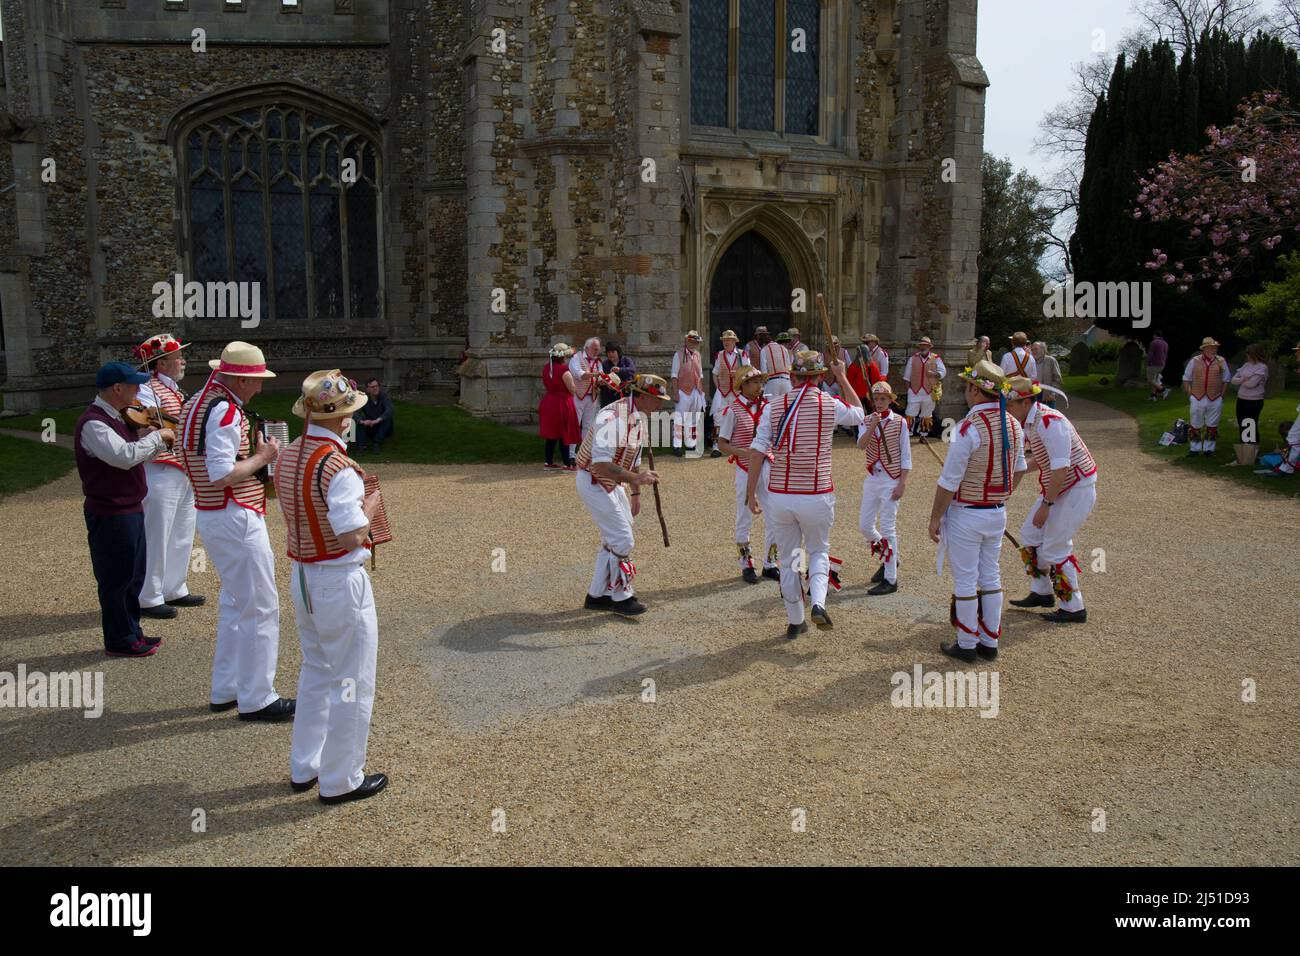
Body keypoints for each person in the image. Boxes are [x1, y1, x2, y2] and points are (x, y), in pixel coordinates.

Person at [275, 370, 387, 805]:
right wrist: (370, 507)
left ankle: (306, 765)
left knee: (317, 670)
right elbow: (350, 534)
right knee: (352, 679)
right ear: (342, 420)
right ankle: (342, 778)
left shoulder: (288, 454)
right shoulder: (341, 468)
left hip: (302, 573)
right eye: (349, 414)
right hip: (338, 577)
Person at [178, 341, 295, 721]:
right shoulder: (225, 411)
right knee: (261, 606)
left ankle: (226, 687)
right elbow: (222, 474)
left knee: (234, 603)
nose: (259, 387)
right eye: (256, 380)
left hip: (214, 513)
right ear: (240, 380)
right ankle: (258, 696)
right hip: (235, 512)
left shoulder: (197, 401)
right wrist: (263, 458)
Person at [746, 351, 866, 638]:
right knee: (818, 550)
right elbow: (860, 413)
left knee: (788, 560)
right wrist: (842, 377)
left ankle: (795, 620)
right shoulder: (829, 403)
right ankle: (819, 603)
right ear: (820, 376)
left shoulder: (774, 407)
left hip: (780, 494)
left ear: (792, 376)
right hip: (816, 492)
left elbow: (757, 451)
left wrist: (750, 494)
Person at [75, 362, 177, 657]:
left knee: (133, 574)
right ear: (117, 388)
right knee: (115, 579)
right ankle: (119, 640)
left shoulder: (118, 418)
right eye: (133, 386)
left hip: (129, 507)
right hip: (110, 511)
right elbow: (124, 457)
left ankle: (132, 631)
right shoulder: (94, 423)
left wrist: (149, 437)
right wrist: (157, 438)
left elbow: (130, 451)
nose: (138, 392)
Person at [927, 360, 1027, 663]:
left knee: (967, 578)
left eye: (968, 386)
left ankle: (967, 642)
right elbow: (1020, 468)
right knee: (990, 574)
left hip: (967, 512)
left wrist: (934, 518)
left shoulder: (968, 428)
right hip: (996, 510)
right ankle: (989, 640)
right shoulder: (1013, 424)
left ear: (974, 389)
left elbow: (949, 481)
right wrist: (1004, 492)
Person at [574, 374, 671, 616]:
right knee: (623, 539)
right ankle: (621, 597)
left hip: (614, 483)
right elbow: (601, 465)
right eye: (656, 399)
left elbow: (633, 459)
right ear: (640, 396)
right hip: (593, 480)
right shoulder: (611, 417)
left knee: (613, 539)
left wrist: (636, 493)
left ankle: (596, 596)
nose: (660, 404)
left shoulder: (637, 417)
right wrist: (636, 479)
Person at [1005, 378, 1097, 624]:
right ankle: (1042, 592)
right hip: (1061, 485)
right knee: (1030, 535)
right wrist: (1017, 475)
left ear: (1026, 402)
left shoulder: (1050, 422)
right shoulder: (1029, 422)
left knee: (1056, 546)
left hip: (1076, 487)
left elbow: (1061, 469)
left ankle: (1073, 607)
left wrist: (1046, 505)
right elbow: (1044, 461)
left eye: (1010, 404)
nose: (1006, 409)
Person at [133, 333, 203, 620]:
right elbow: (150, 424)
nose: (182, 361)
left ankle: (175, 587)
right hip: (159, 468)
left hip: (181, 467)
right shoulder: (145, 388)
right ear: (160, 364)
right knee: (157, 533)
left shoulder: (173, 390)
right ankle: (149, 595)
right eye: (177, 357)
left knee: (182, 530)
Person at [716, 366, 779, 584]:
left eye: (761, 382)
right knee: (744, 515)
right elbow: (722, 443)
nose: (759, 386)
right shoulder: (733, 410)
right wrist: (744, 452)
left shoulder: (769, 407)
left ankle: (771, 563)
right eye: (754, 382)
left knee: (773, 514)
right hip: (744, 467)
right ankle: (747, 563)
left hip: (767, 466)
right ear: (743, 385)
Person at [857, 381, 911, 595]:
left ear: (890, 400)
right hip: (872, 478)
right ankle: (892, 558)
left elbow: (906, 454)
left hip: (891, 479)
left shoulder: (900, 422)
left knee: (889, 527)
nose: (879, 403)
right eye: (876, 399)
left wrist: (902, 482)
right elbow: (861, 445)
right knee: (865, 526)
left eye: (883, 399)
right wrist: (872, 425)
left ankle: (891, 578)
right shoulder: (866, 420)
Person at [1181, 337, 1233, 456]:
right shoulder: (1195, 360)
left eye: (1215, 347)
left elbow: (1226, 379)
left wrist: (1221, 396)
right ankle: (1194, 449)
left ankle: (1209, 449)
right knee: (1195, 423)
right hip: (1197, 396)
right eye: (1210, 347)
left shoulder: (1221, 361)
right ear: (1204, 349)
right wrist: (1191, 395)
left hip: (1215, 397)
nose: (1213, 349)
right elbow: (1186, 378)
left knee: (1212, 423)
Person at [539, 343, 580, 471]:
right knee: (564, 433)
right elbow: (572, 389)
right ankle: (567, 463)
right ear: (563, 357)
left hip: (548, 402)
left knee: (552, 434)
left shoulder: (547, 368)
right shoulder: (564, 370)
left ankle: (548, 461)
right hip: (562, 403)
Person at [710, 330, 749, 457]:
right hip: (723, 392)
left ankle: (737, 445)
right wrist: (718, 387)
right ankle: (716, 446)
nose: (725, 342)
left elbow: (749, 373)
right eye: (724, 340)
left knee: (739, 417)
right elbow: (715, 373)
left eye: (728, 340)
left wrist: (737, 374)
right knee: (718, 417)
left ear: (734, 342)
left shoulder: (743, 354)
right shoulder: (720, 355)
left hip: (738, 392)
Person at [670, 330, 706, 456]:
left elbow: (700, 375)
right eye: (692, 341)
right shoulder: (678, 355)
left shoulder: (698, 355)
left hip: (696, 390)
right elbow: (674, 376)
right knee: (679, 419)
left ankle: (691, 444)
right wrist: (675, 392)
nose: (694, 343)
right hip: (683, 391)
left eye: (696, 342)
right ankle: (677, 445)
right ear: (687, 341)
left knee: (693, 419)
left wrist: (701, 393)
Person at [903, 336, 946, 436]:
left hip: (929, 391)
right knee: (910, 413)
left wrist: (935, 374)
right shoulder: (913, 358)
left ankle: (924, 434)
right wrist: (909, 390)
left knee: (927, 414)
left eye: (925, 345)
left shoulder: (936, 358)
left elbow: (943, 371)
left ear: (929, 347)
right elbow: (907, 376)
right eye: (922, 345)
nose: (923, 347)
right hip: (914, 391)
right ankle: (907, 434)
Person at [569, 337, 604, 457]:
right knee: (575, 424)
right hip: (578, 396)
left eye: (598, 350)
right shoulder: (576, 358)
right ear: (587, 348)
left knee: (588, 426)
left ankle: (584, 454)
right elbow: (579, 375)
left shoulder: (598, 362)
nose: (596, 352)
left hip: (592, 396)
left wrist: (604, 381)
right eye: (595, 349)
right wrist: (596, 374)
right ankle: (571, 454)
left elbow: (600, 377)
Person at [1230, 344, 1269, 446]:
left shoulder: (1262, 367)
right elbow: (1233, 380)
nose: (1246, 354)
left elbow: (1252, 384)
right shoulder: (1246, 365)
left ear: (1254, 354)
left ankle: (1252, 448)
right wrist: (1244, 379)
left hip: (1254, 401)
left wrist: (1241, 380)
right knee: (1242, 423)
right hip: (1241, 398)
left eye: (1248, 352)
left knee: (1250, 424)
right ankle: (1244, 446)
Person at [353, 378, 394, 453]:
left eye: (376, 386)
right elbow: (355, 412)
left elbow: (390, 410)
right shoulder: (363, 398)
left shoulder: (384, 396)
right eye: (372, 387)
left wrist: (378, 420)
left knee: (387, 418)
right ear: (367, 389)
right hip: (370, 426)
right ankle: (361, 446)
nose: (375, 388)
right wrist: (362, 421)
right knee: (359, 419)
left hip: (383, 427)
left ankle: (376, 443)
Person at [760, 329, 794, 399]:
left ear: (763, 343)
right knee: (786, 405)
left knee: (772, 406)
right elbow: (789, 366)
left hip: (772, 382)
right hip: (786, 381)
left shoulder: (764, 350)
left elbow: (764, 371)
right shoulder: (784, 349)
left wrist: (763, 385)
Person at [601, 342, 635, 407]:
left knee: (623, 415)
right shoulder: (604, 364)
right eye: (608, 352)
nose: (611, 354)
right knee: (610, 415)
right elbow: (601, 377)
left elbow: (632, 370)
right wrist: (601, 382)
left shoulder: (626, 360)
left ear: (618, 352)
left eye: (613, 352)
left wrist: (620, 370)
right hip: (609, 397)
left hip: (625, 394)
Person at [1032, 342, 1063, 407]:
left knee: (1049, 415)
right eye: (1032, 349)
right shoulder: (1031, 361)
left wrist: (1053, 394)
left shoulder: (1050, 360)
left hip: (1047, 395)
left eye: (1036, 349)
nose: (1034, 351)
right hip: (1033, 395)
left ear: (1043, 350)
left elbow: (1057, 379)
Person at [1147, 330, 1170, 400]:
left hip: (1154, 364)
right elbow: (1166, 355)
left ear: (1155, 335)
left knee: (1150, 380)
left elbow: (1151, 354)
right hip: (1162, 364)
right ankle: (1153, 395)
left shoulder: (1154, 342)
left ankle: (1163, 390)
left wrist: (1148, 362)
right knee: (1155, 380)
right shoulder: (1166, 344)